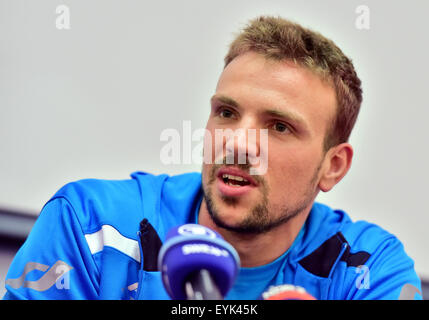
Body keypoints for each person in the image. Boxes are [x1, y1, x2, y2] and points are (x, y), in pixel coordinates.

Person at [3, 16, 422, 300]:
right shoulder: (91, 224)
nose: (238, 144)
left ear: (333, 166)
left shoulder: (369, 271)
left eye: (279, 127)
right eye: (227, 113)